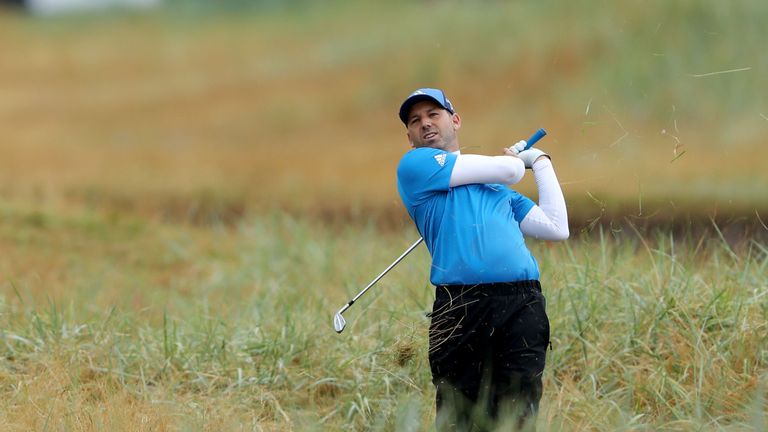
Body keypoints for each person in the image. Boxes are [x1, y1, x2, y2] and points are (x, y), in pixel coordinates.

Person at [395, 88, 569, 431]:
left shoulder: (496, 188)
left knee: (518, 414)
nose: (425, 124)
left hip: (522, 303)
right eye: (415, 121)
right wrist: (516, 163)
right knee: (459, 416)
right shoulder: (414, 165)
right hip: (460, 307)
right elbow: (508, 171)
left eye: (434, 114)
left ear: (455, 120)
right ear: (410, 136)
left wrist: (541, 162)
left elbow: (556, 226)